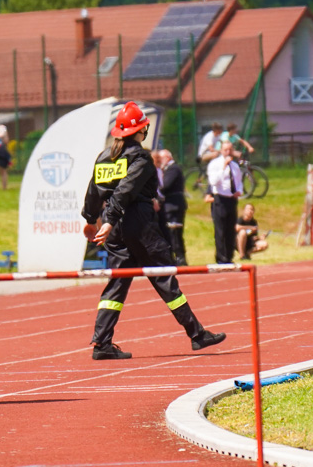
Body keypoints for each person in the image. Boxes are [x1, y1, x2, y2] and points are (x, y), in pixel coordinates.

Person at [81, 101, 225, 361]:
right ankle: (197, 334)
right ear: (140, 131)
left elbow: (94, 191)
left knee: (117, 284)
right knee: (164, 278)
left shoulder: (104, 157)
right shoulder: (140, 158)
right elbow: (125, 192)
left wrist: (92, 218)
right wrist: (108, 220)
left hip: (114, 231)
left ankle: (101, 343)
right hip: (138, 225)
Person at [207, 141, 243, 264]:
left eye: (230, 149)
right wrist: (223, 167)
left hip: (231, 199)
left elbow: (238, 181)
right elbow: (213, 182)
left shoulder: (235, 166)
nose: (228, 152)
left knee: (230, 229)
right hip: (220, 199)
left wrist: (239, 191)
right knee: (220, 230)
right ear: (221, 151)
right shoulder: (215, 164)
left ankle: (229, 256)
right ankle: (221, 258)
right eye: (225, 150)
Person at [156, 149, 187, 266]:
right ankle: (175, 257)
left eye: (161, 159)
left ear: (167, 158)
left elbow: (165, 185)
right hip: (170, 205)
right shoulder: (169, 169)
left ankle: (180, 257)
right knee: (171, 232)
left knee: (174, 232)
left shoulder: (173, 169)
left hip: (174, 205)